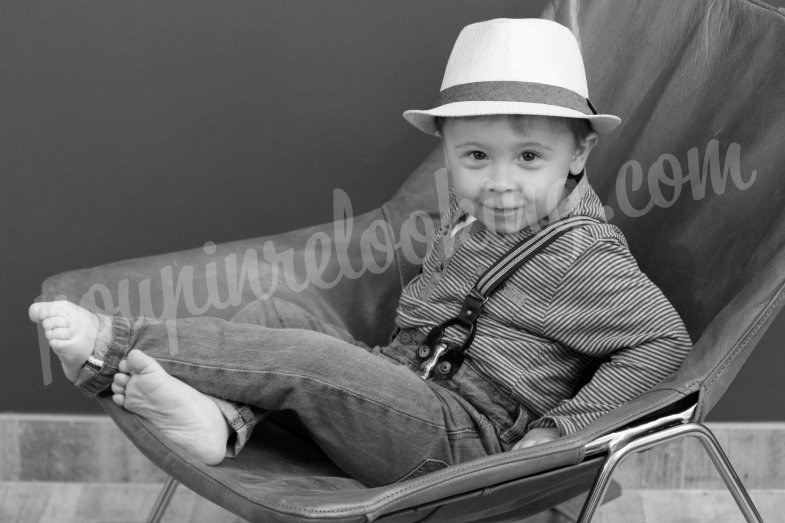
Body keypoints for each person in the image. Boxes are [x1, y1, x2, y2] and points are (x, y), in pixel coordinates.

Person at [28, 18, 692, 487]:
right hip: (405, 389)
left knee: (313, 361)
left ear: (577, 154)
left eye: (528, 157)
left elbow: (662, 341)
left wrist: (559, 434)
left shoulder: (581, 256)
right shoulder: (482, 217)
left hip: (462, 442)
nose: (498, 180)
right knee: (282, 313)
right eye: (474, 156)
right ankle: (224, 421)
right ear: (448, 153)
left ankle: (109, 346)